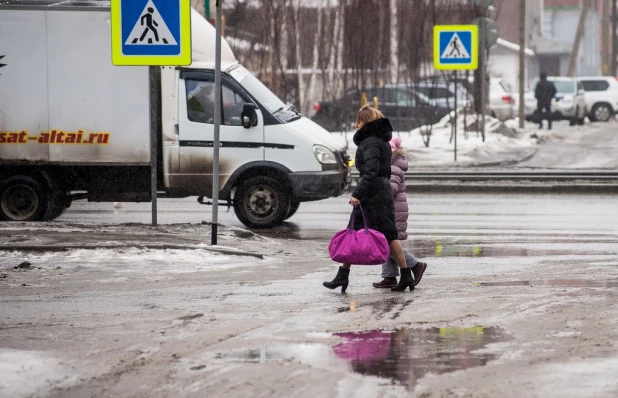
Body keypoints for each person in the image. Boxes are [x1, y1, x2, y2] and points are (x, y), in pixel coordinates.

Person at [323, 105, 414, 293]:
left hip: (374, 194)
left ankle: (406, 274)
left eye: (357, 121)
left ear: (362, 122)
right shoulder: (379, 140)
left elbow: (371, 171)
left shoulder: (370, 142)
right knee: (356, 232)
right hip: (379, 191)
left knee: (387, 235)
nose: (355, 125)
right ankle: (343, 275)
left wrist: (358, 193)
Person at [372, 137, 428, 289]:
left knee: (387, 243)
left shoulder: (393, 170)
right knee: (386, 242)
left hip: (393, 213)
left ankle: (415, 265)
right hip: (392, 211)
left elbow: (389, 190)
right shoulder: (392, 168)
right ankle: (389, 277)